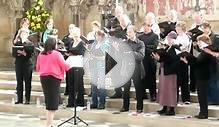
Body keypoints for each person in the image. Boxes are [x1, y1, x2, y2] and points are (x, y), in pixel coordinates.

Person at [36, 37, 70, 127]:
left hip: (43, 78)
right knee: (53, 102)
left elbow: (37, 68)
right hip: (53, 78)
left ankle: (49, 123)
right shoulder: (56, 54)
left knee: (49, 100)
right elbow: (65, 66)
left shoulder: (41, 54)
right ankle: (49, 124)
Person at [181, 34, 214, 119]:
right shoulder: (204, 51)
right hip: (201, 76)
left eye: (199, 41)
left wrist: (189, 58)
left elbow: (199, 63)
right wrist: (188, 61)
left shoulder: (207, 50)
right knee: (201, 96)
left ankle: (204, 113)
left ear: (204, 41)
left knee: (202, 96)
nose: (198, 43)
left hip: (204, 77)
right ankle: (202, 112)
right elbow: (198, 62)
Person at [152, 31, 180, 116]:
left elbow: (174, 61)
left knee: (170, 91)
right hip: (164, 70)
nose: (168, 40)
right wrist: (158, 58)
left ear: (174, 39)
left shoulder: (175, 48)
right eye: (168, 38)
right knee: (163, 90)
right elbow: (164, 58)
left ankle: (171, 109)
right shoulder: (167, 47)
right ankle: (164, 107)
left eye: (170, 38)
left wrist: (162, 58)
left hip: (171, 73)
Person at [120, 25, 145, 113]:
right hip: (126, 67)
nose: (128, 34)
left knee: (138, 88)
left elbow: (141, 56)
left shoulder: (140, 43)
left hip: (136, 67)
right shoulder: (125, 43)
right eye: (127, 32)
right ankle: (125, 106)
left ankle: (139, 107)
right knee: (125, 88)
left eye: (130, 32)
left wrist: (130, 53)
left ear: (135, 32)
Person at [66, 27, 87, 107]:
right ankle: (71, 101)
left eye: (76, 35)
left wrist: (75, 54)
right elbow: (70, 50)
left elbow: (84, 53)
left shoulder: (82, 43)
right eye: (74, 35)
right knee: (71, 83)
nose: (75, 37)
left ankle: (80, 102)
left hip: (79, 64)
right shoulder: (71, 43)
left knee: (79, 84)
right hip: (71, 64)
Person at [138, 20, 159, 102]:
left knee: (151, 78)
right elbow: (138, 47)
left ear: (150, 27)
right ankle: (142, 94)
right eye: (144, 27)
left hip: (151, 59)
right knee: (142, 77)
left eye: (147, 27)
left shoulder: (155, 36)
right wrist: (145, 47)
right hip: (142, 60)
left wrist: (144, 47)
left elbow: (154, 47)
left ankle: (153, 94)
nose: (145, 29)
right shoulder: (140, 37)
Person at [13, 28, 34, 104]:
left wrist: (25, 54)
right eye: (22, 33)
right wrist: (18, 53)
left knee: (28, 82)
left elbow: (32, 55)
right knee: (19, 82)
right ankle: (19, 99)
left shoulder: (30, 43)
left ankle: (27, 99)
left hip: (27, 64)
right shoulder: (17, 43)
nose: (23, 35)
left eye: (25, 33)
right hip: (19, 64)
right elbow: (14, 53)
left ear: (27, 35)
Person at [89, 30, 109, 109]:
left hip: (101, 66)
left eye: (98, 35)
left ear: (101, 36)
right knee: (93, 84)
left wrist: (96, 57)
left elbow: (105, 57)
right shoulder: (94, 44)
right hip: (93, 66)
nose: (96, 37)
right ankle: (94, 102)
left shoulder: (105, 44)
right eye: (96, 36)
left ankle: (102, 102)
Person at [202, 22, 219, 105]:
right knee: (208, 81)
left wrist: (208, 47)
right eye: (203, 28)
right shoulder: (203, 36)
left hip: (213, 61)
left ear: (209, 28)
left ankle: (215, 100)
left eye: (205, 28)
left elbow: (216, 48)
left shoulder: (215, 36)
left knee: (214, 81)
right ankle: (209, 99)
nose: (204, 30)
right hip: (206, 61)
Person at [175, 21, 192, 104]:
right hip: (177, 59)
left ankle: (186, 98)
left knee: (184, 80)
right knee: (177, 80)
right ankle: (176, 98)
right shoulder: (177, 37)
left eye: (177, 27)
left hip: (183, 59)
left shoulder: (186, 37)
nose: (176, 29)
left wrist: (177, 46)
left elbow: (183, 47)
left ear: (181, 28)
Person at [187, 13, 204, 92]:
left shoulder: (204, 26)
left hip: (200, 50)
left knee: (200, 69)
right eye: (195, 18)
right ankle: (192, 87)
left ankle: (199, 86)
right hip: (192, 50)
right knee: (192, 69)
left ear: (201, 17)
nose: (196, 20)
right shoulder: (193, 25)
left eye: (198, 18)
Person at [62, 24, 75, 96]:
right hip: (67, 58)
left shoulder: (76, 38)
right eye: (69, 28)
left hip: (74, 58)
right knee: (68, 75)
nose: (70, 29)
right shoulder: (65, 37)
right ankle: (68, 89)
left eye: (72, 28)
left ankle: (74, 90)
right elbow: (62, 45)